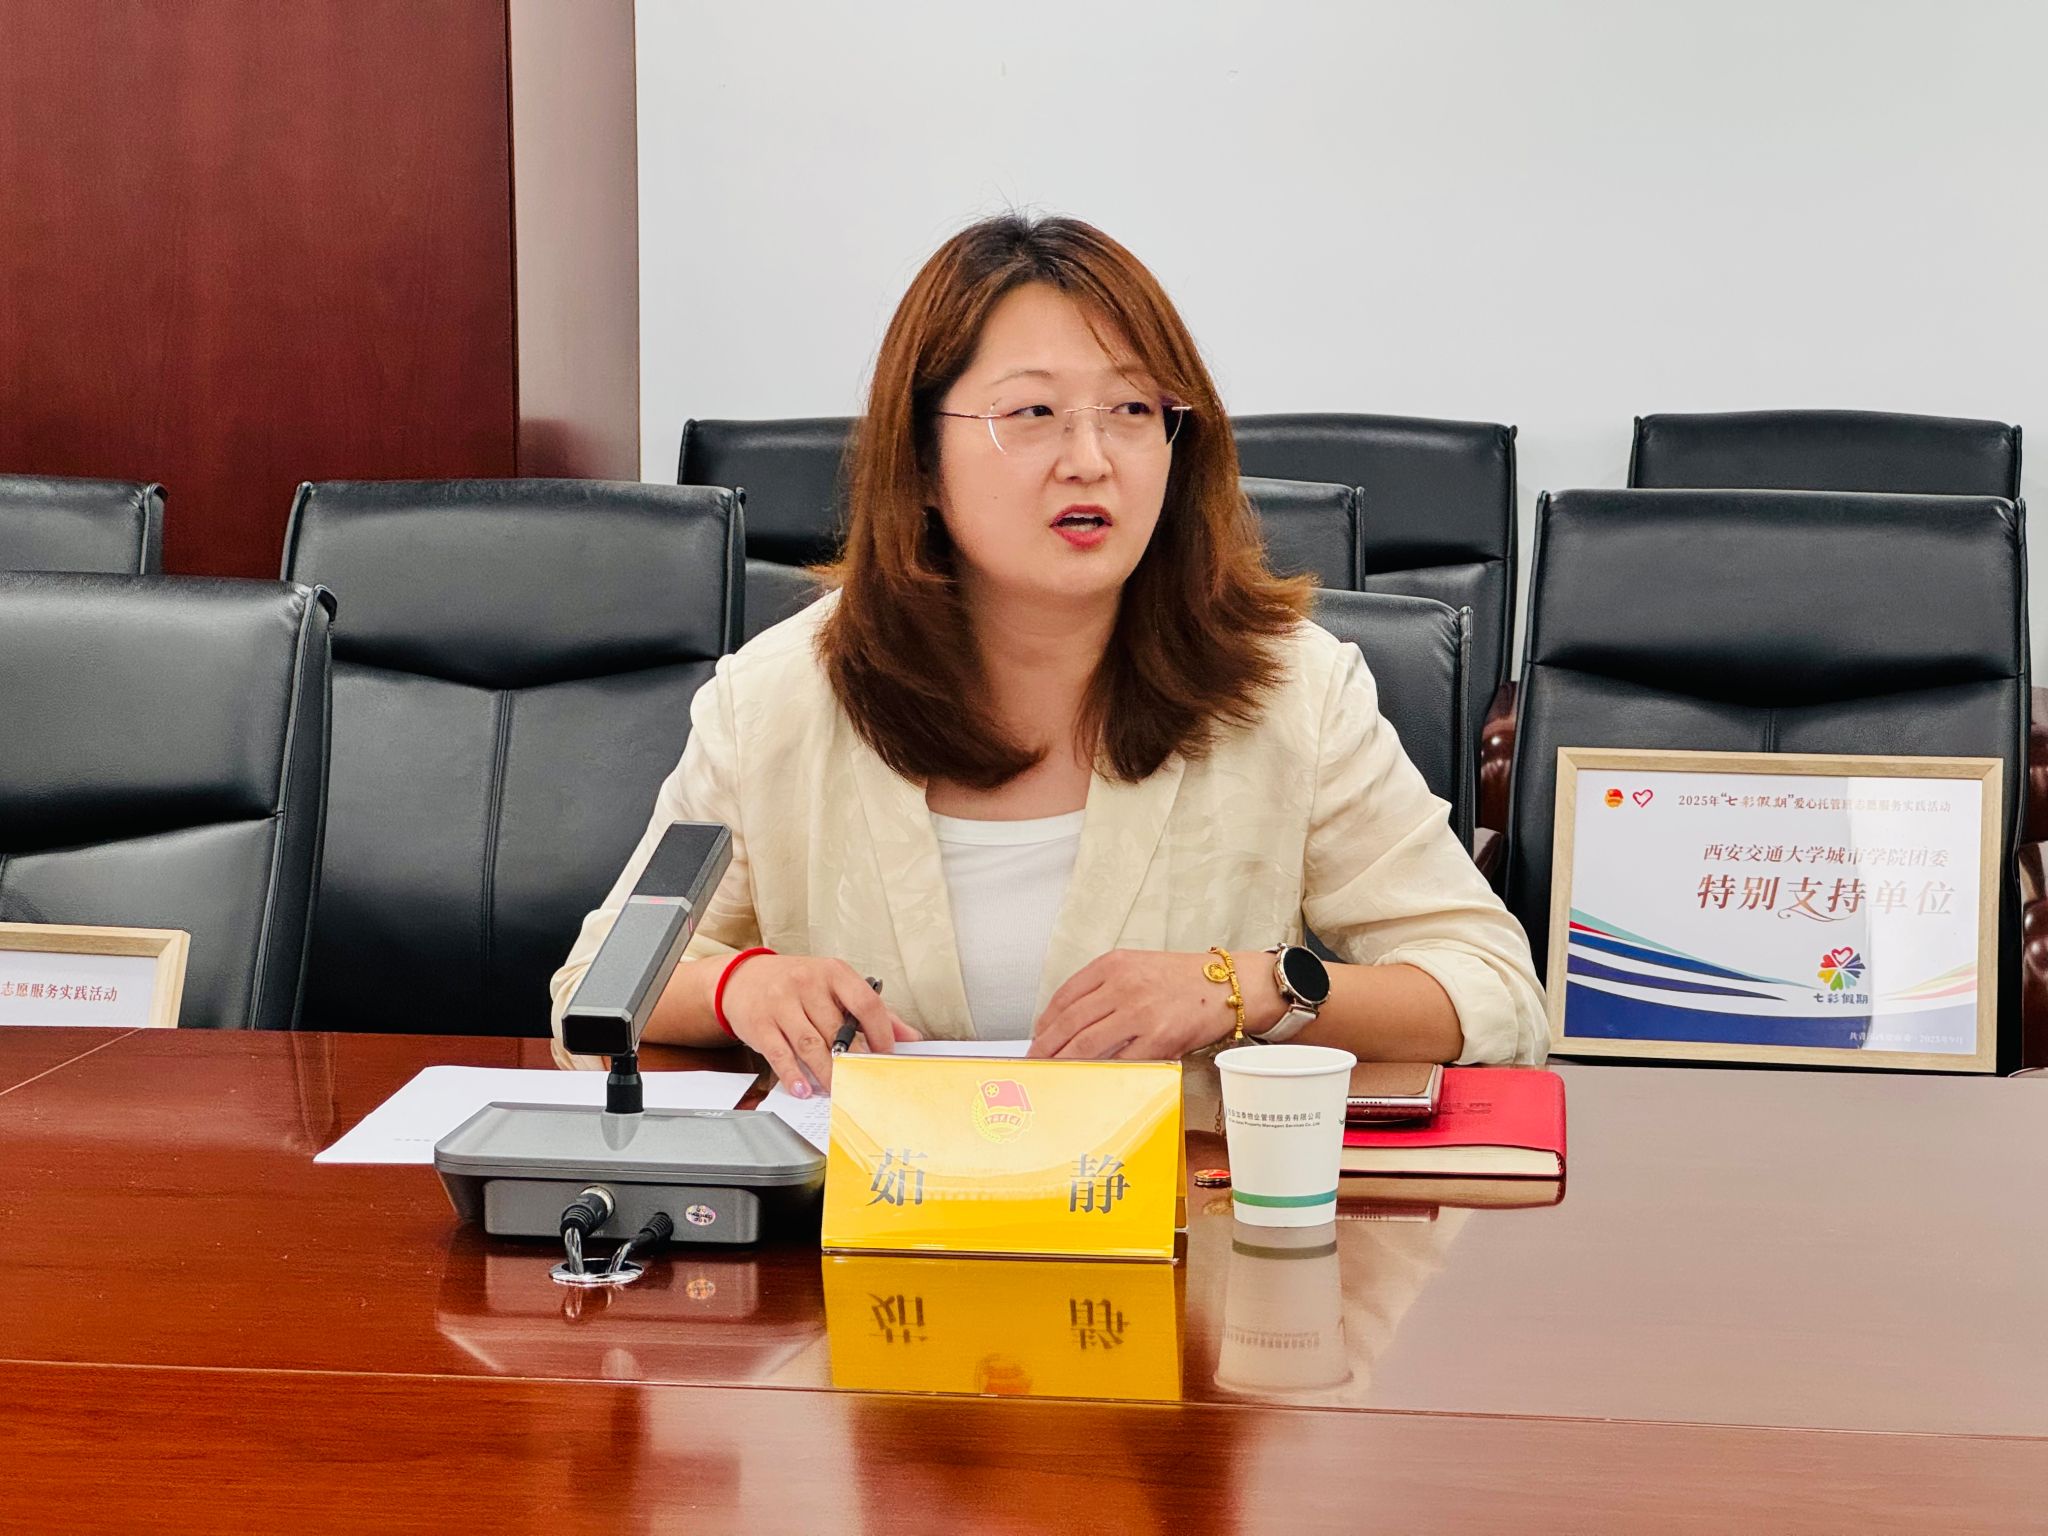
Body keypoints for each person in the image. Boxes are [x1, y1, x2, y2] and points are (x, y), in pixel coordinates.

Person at [551, 213, 1546, 1089]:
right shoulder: (776, 699)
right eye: (1031, 414)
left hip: (1182, 1224)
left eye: (1133, 411)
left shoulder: (1292, 691)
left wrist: (1242, 988)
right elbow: (598, 989)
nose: (1090, 459)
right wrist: (741, 984)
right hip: (872, 1224)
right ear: (921, 461)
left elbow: (1494, 990)